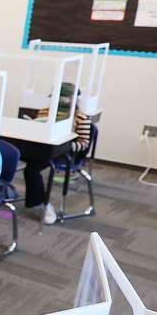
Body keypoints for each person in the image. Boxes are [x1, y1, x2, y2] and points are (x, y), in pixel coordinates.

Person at [24, 84, 92, 224]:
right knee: (15, 157)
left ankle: (44, 205)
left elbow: (84, 143)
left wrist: (67, 144)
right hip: (42, 148)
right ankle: (31, 199)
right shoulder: (44, 112)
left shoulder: (81, 117)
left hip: (63, 153)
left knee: (31, 169)